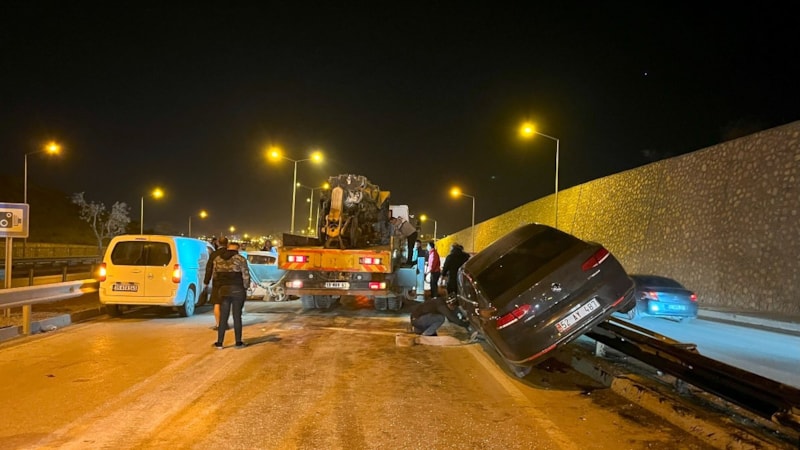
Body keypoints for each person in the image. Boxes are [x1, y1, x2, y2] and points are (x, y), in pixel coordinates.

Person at [212, 241, 250, 349]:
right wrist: (245, 287)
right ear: (237, 249)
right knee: (237, 316)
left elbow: (214, 276)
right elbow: (245, 275)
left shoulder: (217, 259)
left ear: (228, 248)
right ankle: (238, 342)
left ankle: (219, 343)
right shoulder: (240, 259)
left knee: (223, 316)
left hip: (223, 290)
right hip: (237, 290)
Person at [204, 236, 229, 330]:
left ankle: (219, 325)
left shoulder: (214, 254)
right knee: (226, 302)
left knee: (217, 303)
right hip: (229, 281)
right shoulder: (230, 254)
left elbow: (209, 268)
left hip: (217, 281)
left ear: (218, 243)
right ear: (227, 244)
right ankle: (225, 322)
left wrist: (206, 281)